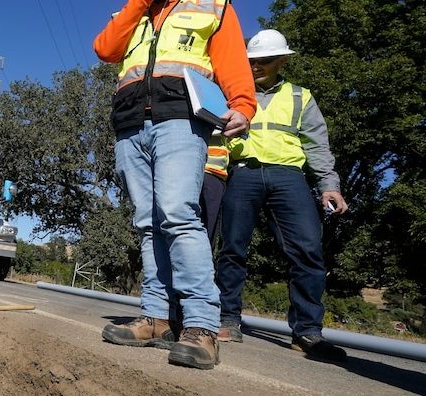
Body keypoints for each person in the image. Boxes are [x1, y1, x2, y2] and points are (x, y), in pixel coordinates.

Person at [94, 0, 256, 370]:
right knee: (148, 223)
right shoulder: (131, 11)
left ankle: (201, 326)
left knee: (178, 214)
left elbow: (232, 60)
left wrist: (243, 105)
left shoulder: (213, 6)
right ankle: (156, 317)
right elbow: (106, 49)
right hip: (131, 123)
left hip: (181, 119)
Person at [215, 29, 348, 361]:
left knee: (307, 250)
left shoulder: (301, 97)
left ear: (283, 60)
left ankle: (307, 332)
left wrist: (329, 186)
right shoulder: (230, 94)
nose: (257, 66)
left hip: (289, 177)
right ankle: (228, 319)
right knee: (232, 248)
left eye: (266, 60)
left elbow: (318, 146)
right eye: (252, 61)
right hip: (243, 173)